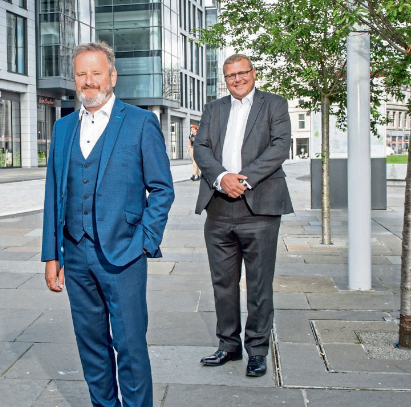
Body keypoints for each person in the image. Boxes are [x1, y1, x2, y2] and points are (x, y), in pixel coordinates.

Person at [41, 42, 174, 407]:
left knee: (130, 345)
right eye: (81, 74)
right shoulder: (64, 128)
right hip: (76, 254)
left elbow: (162, 189)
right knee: (91, 345)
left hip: (125, 253)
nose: (88, 81)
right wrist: (52, 255)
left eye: (96, 73)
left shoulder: (140, 122)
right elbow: (55, 193)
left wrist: (145, 240)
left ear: (112, 76)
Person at [193, 54, 293, 377]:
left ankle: (258, 351)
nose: (237, 79)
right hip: (219, 207)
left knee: (260, 284)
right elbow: (201, 149)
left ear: (253, 73)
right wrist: (223, 178)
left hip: (260, 206)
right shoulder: (213, 109)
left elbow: (279, 148)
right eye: (230, 75)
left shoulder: (274, 104)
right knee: (223, 282)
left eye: (242, 73)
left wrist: (243, 178)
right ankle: (228, 345)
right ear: (225, 80)